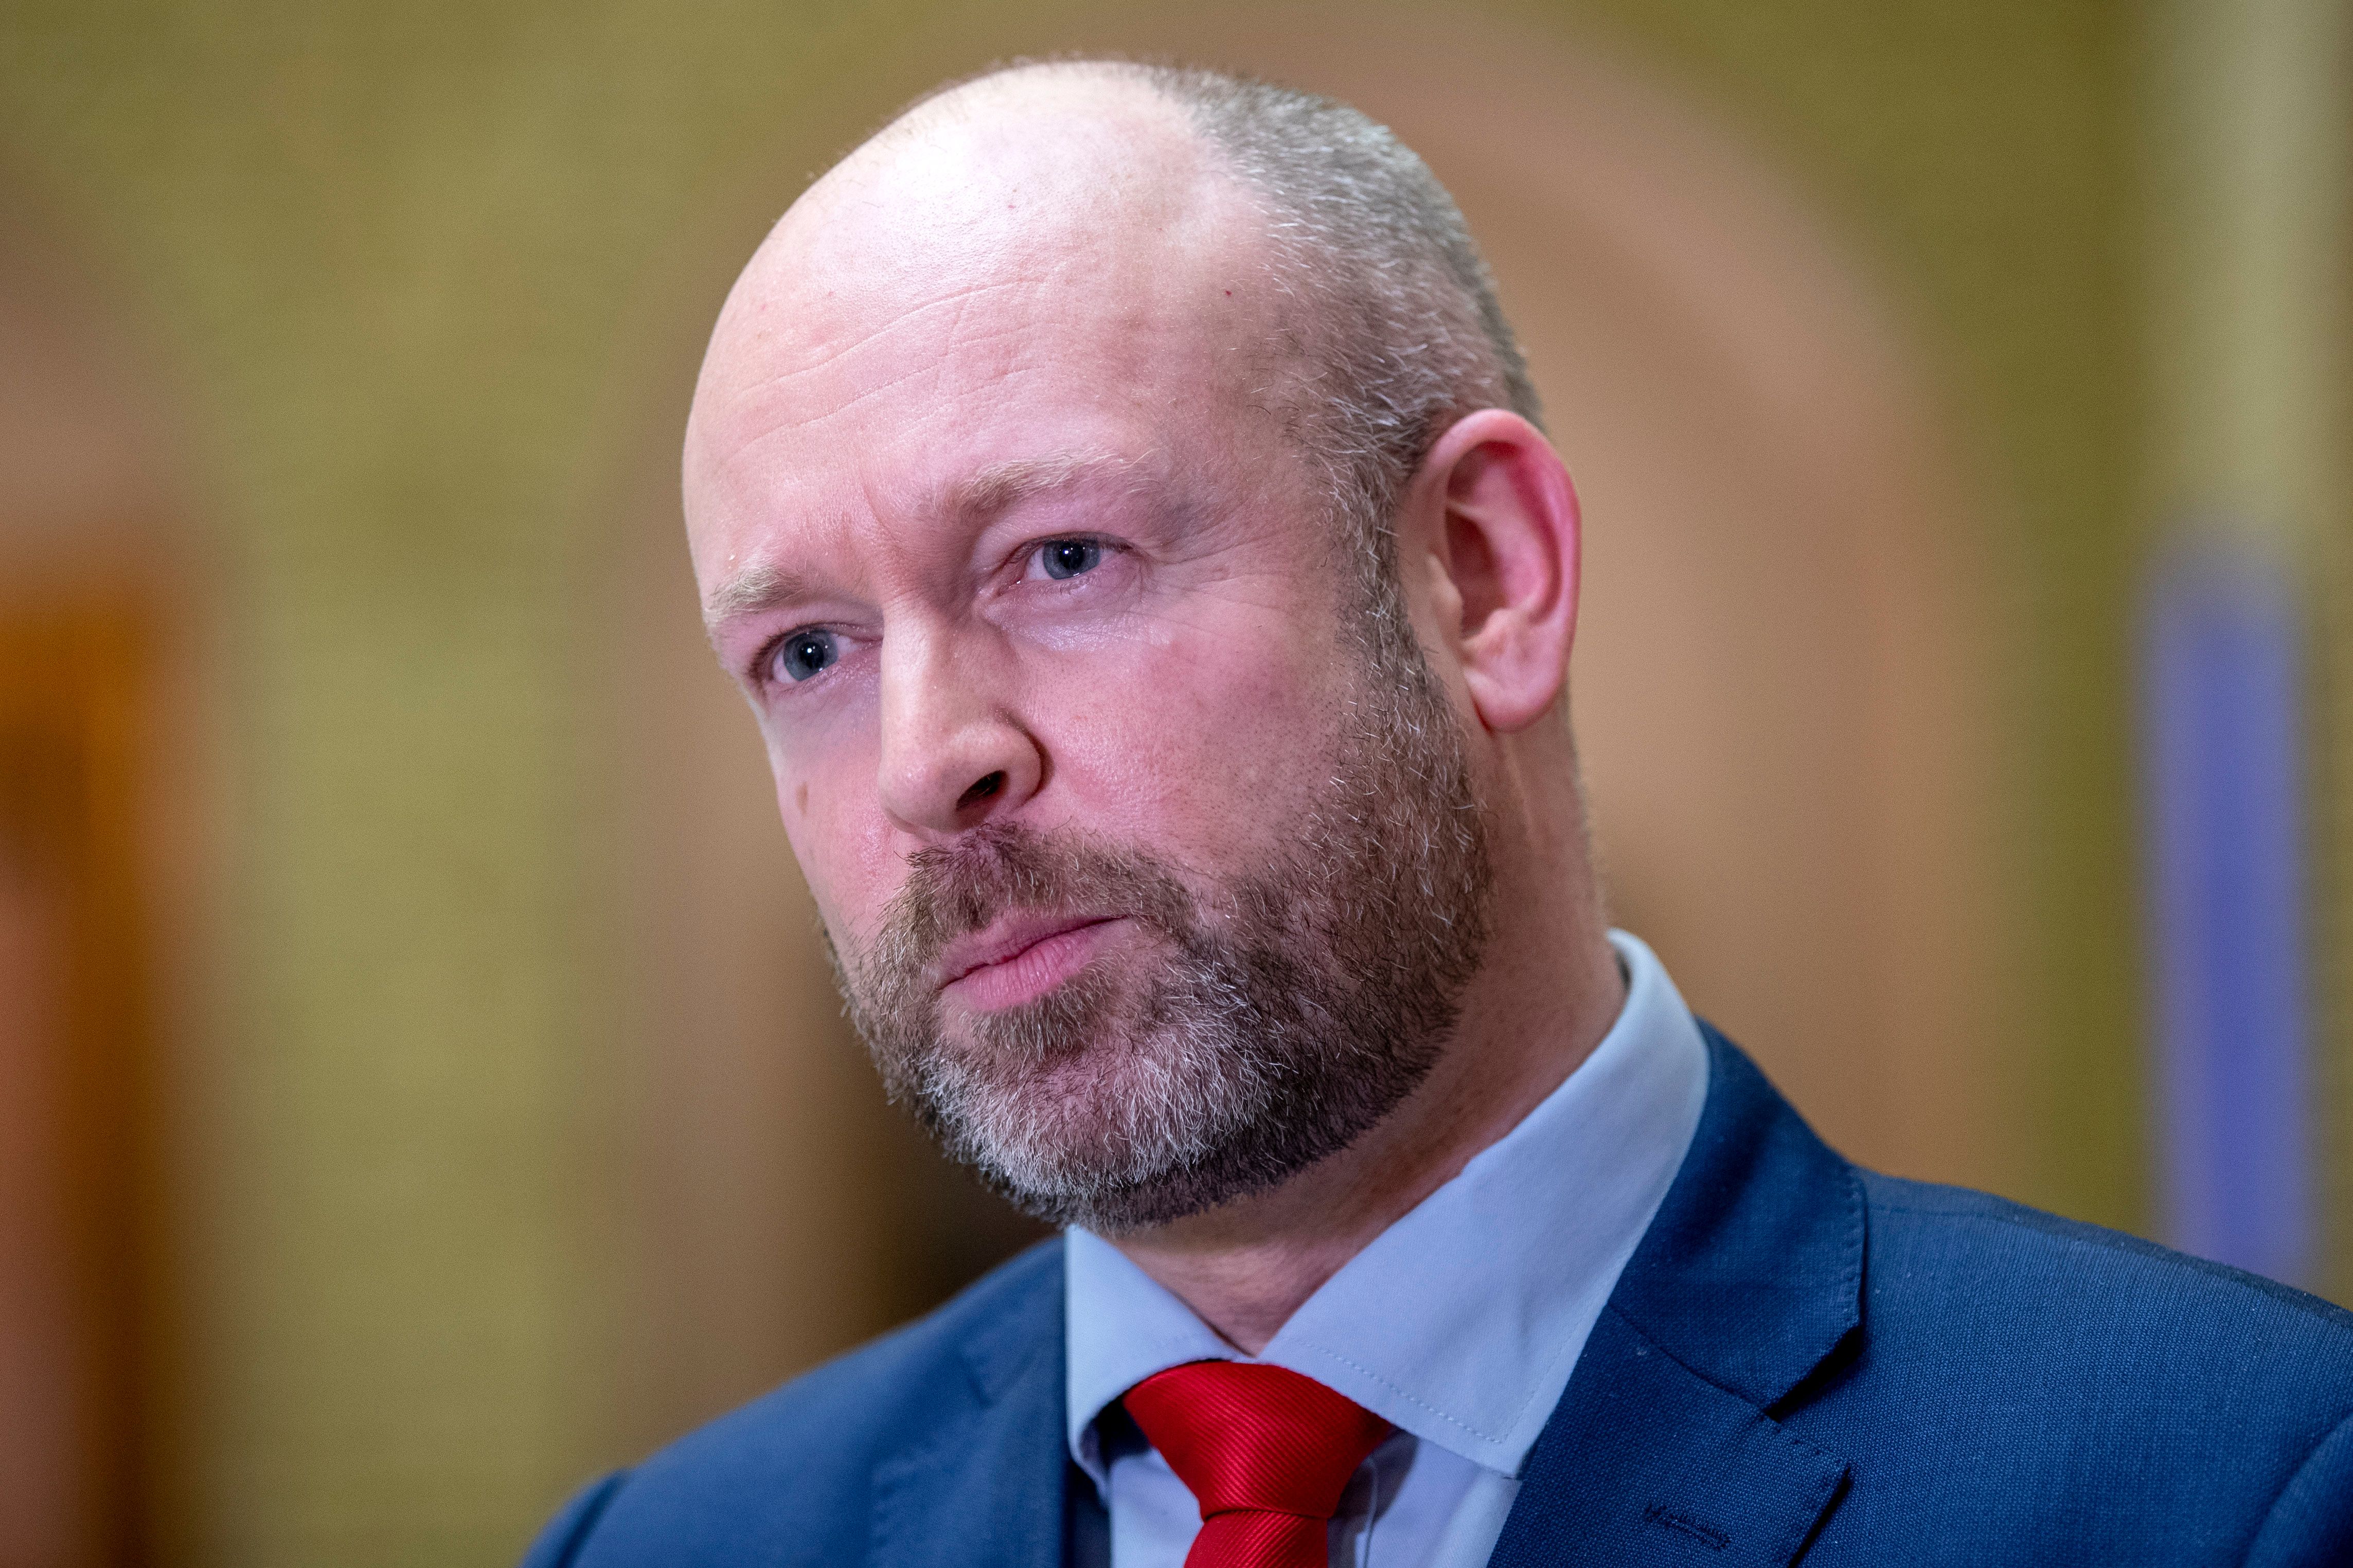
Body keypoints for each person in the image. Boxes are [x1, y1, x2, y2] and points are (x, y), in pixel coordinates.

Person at [524, 59, 2353, 1568]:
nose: (929, 760)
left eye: (1061, 558)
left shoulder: (2238, 1493)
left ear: (1482, 575)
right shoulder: (667, 1548)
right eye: (809, 653)